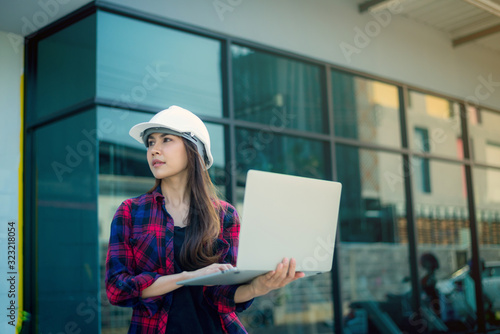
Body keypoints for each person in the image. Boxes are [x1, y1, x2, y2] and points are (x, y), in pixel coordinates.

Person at [105, 105, 305, 333]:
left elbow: (221, 295)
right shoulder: (131, 212)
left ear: (194, 150)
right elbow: (117, 289)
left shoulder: (225, 215)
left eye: (166, 140)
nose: (154, 150)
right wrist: (188, 277)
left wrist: (257, 287)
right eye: (150, 142)